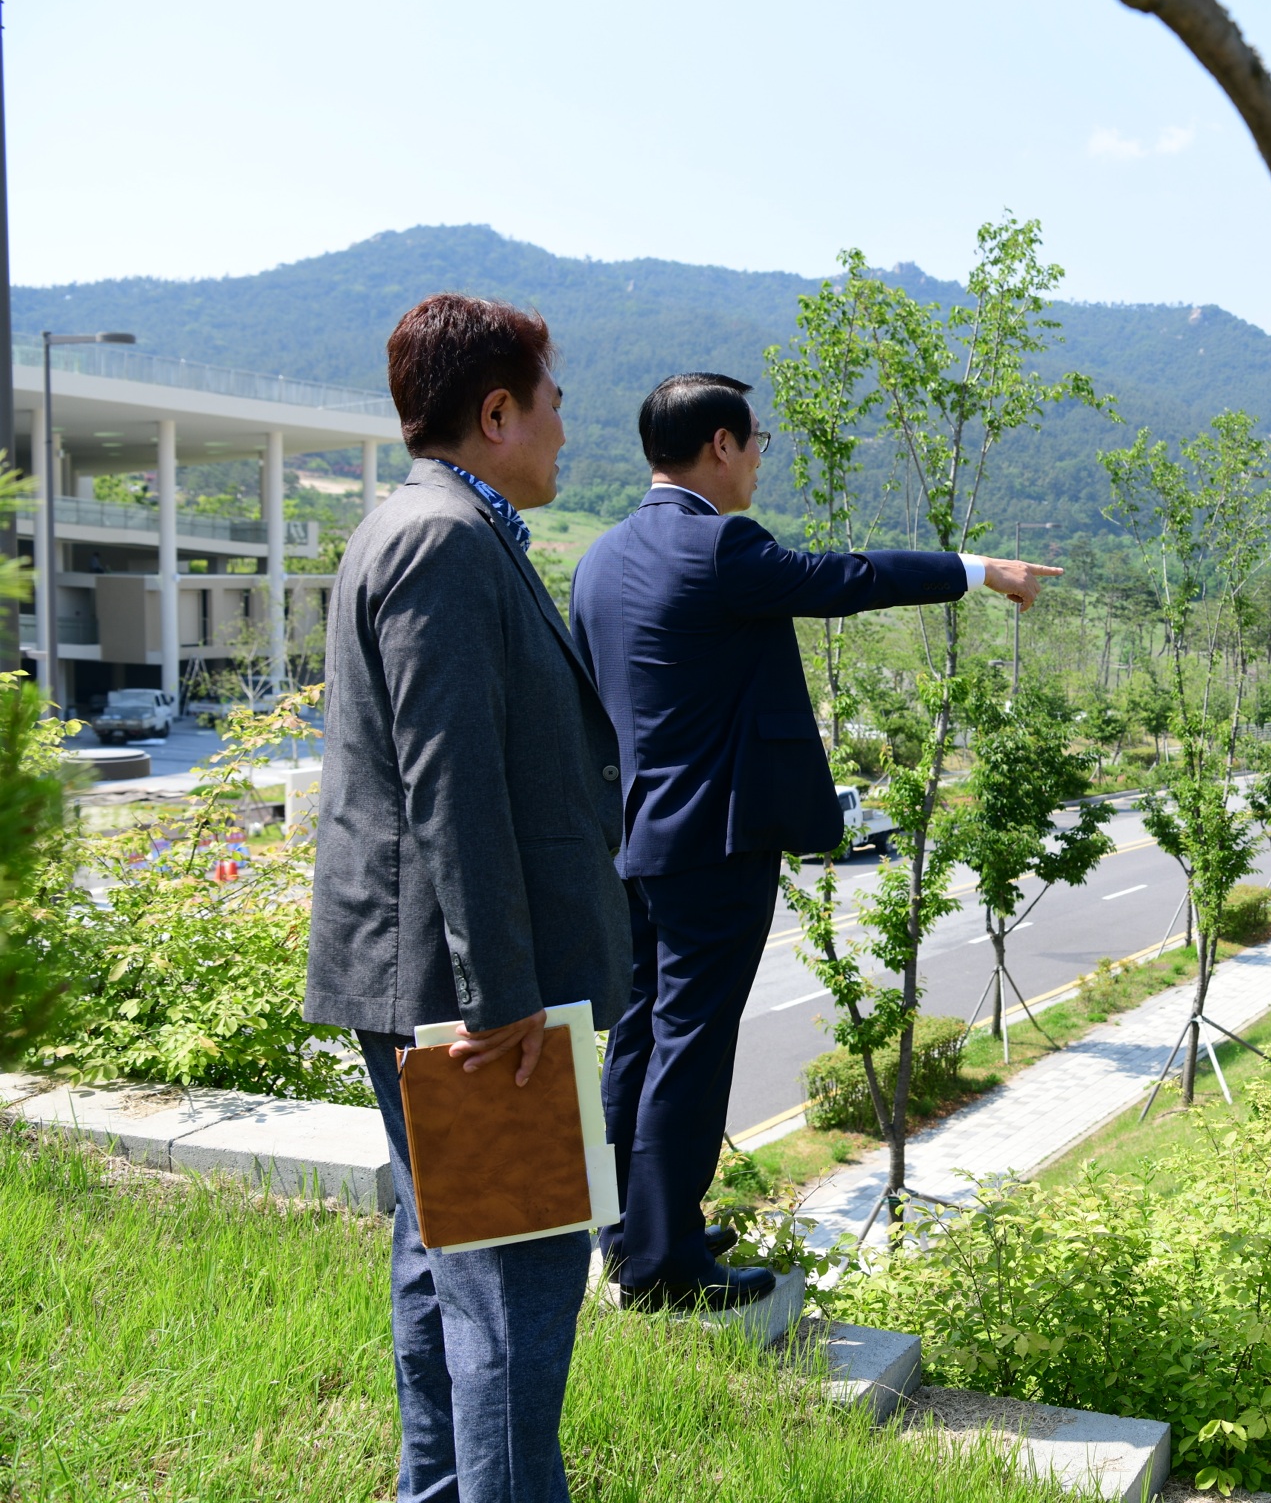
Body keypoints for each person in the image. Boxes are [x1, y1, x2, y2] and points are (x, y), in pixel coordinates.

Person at [569, 372, 1056, 1310]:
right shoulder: (720, 544)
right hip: (715, 842)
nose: (758, 459)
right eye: (754, 441)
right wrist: (976, 570)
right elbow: (847, 579)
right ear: (718, 445)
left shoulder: (600, 558)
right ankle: (665, 1266)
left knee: (640, 1037)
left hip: (635, 840)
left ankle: (632, 1229)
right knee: (690, 1046)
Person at [305, 294, 629, 1502]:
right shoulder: (442, 540)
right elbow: (454, 788)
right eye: (551, 406)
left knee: (448, 1266)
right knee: (510, 1299)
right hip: (473, 998)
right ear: (496, 412)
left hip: (437, 983)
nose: (564, 431)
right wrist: (501, 1002)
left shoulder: (428, 528)